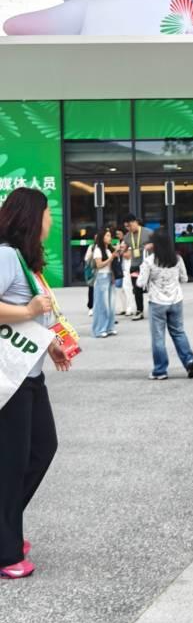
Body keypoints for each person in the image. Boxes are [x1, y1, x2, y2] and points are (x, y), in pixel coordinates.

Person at [0, 187, 72, 580]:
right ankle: (6, 550)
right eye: (47, 214)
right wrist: (28, 309)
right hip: (10, 380)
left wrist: (50, 343)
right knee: (12, 464)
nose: (51, 221)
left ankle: (5, 527)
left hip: (30, 374)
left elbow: (31, 321)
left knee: (41, 450)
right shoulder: (6, 256)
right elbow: (21, 312)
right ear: (32, 217)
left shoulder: (23, 261)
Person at [137, 229, 193, 381]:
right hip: (176, 300)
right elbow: (184, 278)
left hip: (157, 302)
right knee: (178, 332)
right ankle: (189, 360)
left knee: (158, 337)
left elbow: (140, 283)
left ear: (155, 244)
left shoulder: (149, 261)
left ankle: (160, 370)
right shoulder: (177, 259)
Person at [123, 213, 153, 320]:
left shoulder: (148, 232)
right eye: (126, 227)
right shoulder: (127, 236)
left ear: (135, 222)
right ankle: (139, 311)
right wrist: (121, 250)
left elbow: (159, 244)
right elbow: (124, 250)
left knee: (152, 287)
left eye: (129, 225)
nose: (128, 228)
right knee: (136, 289)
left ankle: (156, 309)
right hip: (135, 266)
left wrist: (151, 245)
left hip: (148, 265)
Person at [91, 229, 117, 338]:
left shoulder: (109, 249)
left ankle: (109, 327)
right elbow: (99, 265)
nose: (110, 238)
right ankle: (100, 329)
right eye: (107, 235)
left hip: (110, 276)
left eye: (110, 235)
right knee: (102, 305)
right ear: (102, 237)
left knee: (111, 304)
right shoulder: (98, 249)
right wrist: (111, 258)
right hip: (101, 277)